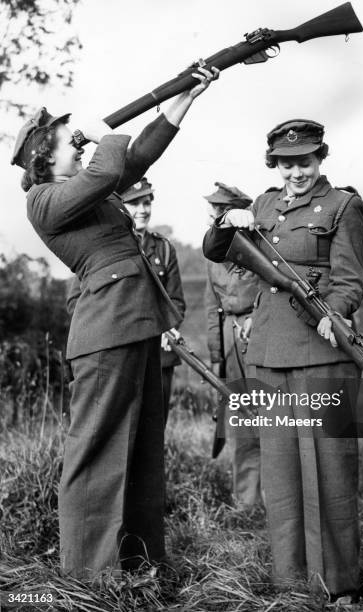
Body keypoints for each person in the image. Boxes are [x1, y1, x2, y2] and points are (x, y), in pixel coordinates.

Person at [10, 66, 218, 578]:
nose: (77, 146)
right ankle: (88, 577)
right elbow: (107, 167)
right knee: (97, 453)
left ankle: (139, 565)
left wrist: (184, 97)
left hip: (136, 323)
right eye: (68, 141)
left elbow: (137, 155)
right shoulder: (44, 200)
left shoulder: (89, 190)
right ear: (44, 155)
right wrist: (106, 133)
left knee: (143, 451)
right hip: (105, 332)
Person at [202, 120, 363, 606]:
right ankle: (290, 580)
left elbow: (350, 279)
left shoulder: (343, 206)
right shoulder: (263, 205)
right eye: (287, 163)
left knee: (331, 468)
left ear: (321, 159)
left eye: (305, 162)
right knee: (280, 468)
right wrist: (225, 223)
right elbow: (217, 250)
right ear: (275, 164)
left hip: (321, 351)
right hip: (270, 352)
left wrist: (333, 313)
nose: (296, 171)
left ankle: (339, 584)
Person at [204, 182, 262, 508]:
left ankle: (278, 498)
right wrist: (216, 357)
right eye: (212, 209)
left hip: (259, 333)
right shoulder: (212, 252)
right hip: (230, 340)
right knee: (242, 422)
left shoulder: (257, 244)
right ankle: (247, 502)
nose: (214, 215)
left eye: (221, 210)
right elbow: (212, 307)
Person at [122, 177, 186, 425]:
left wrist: (168, 327)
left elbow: (176, 301)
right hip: (125, 351)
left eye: (146, 202)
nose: (142, 210)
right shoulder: (109, 246)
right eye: (134, 203)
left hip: (159, 352)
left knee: (156, 425)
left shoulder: (164, 248)